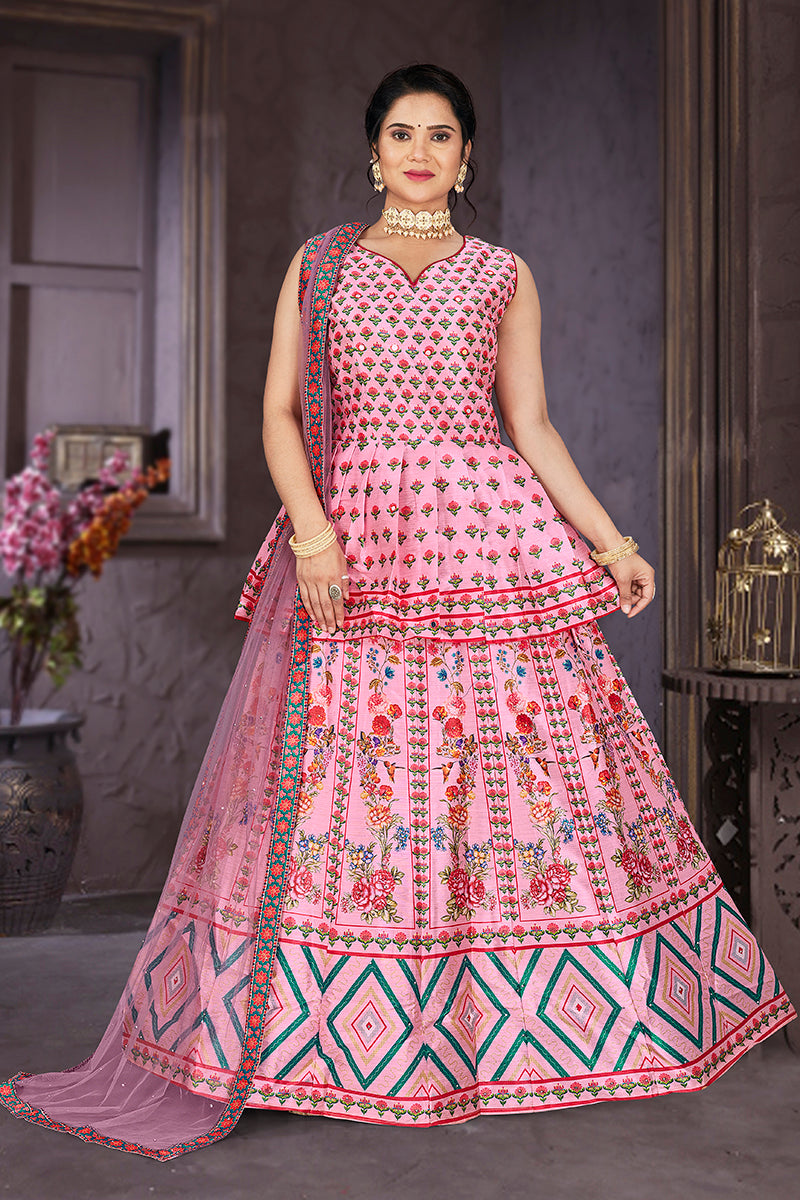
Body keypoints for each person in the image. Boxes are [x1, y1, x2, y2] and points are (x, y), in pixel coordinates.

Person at [1, 63, 795, 1161]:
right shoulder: (321, 264)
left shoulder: (502, 274)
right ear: (372, 152)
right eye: (401, 134)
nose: (420, 152)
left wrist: (611, 541)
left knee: (508, 770)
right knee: (355, 779)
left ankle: (518, 1033)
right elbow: (279, 413)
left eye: (441, 135)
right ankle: (329, 1041)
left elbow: (532, 426)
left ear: (466, 157)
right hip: (361, 536)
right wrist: (313, 535)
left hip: (490, 536)